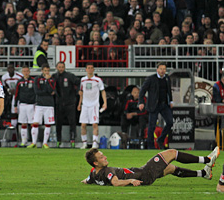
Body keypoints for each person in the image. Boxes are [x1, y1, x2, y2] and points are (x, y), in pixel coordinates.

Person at [82, 147, 219, 186]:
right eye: (101, 157)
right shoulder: (108, 171)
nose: (105, 157)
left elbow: (88, 180)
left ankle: (203, 173)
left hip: (142, 174)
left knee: (169, 168)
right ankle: (207, 159)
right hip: (144, 174)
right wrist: (130, 181)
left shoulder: (94, 174)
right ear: (95, 162)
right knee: (171, 153)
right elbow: (115, 182)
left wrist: (85, 181)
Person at [139, 62, 173, 150]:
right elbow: (142, 90)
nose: (162, 71)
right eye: (161, 69)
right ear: (157, 69)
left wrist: (171, 101)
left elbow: (169, 91)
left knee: (170, 122)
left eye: (164, 69)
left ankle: (160, 139)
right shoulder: (151, 79)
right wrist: (141, 102)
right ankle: (151, 146)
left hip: (164, 104)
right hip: (153, 105)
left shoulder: (167, 78)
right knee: (152, 126)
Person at [78, 63, 107, 149]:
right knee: (83, 125)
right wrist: (79, 104)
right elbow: (81, 93)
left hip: (94, 105)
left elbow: (103, 91)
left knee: (94, 124)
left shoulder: (98, 80)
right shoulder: (83, 80)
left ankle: (94, 143)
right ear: (86, 69)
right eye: (88, 68)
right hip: (85, 105)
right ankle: (84, 143)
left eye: (91, 68)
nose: (90, 69)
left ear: (93, 69)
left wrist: (105, 102)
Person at [52, 61, 80, 148]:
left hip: (70, 103)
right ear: (56, 68)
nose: (61, 69)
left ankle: (72, 139)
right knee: (58, 123)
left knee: (72, 122)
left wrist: (77, 92)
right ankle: (58, 140)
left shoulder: (69, 76)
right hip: (59, 104)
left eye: (62, 67)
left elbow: (79, 82)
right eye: (59, 67)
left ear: (64, 68)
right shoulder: (54, 77)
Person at [28, 64, 56, 149]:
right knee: (35, 123)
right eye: (45, 71)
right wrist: (47, 92)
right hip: (39, 104)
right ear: (42, 71)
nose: (46, 72)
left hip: (49, 105)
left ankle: (45, 143)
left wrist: (47, 81)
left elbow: (52, 90)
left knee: (48, 124)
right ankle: (34, 142)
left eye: (48, 71)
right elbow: (37, 91)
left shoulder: (52, 79)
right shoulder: (37, 79)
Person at [13, 65, 35, 147]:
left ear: (29, 72)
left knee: (32, 123)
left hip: (31, 105)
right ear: (22, 72)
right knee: (23, 123)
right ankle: (24, 141)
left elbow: (36, 92)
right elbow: (16, 94)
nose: (26, 73)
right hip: (22, 105)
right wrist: (15, 105)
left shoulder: (33, 81)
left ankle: (33, 141)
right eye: (24, 71)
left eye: (27, 71)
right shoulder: (19, 82)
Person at [1, 63, 22, 128]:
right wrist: (8, 90)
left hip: (20, 95)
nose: (10, 69)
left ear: (14, 69)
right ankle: (13, 127)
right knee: (13, 111)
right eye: (9, 68)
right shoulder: (4, 77)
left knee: (20, 111)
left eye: (11, 68)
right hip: (12, 96)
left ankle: (20, 127)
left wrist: (16, 90)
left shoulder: (19, 76)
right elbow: (4, 86)